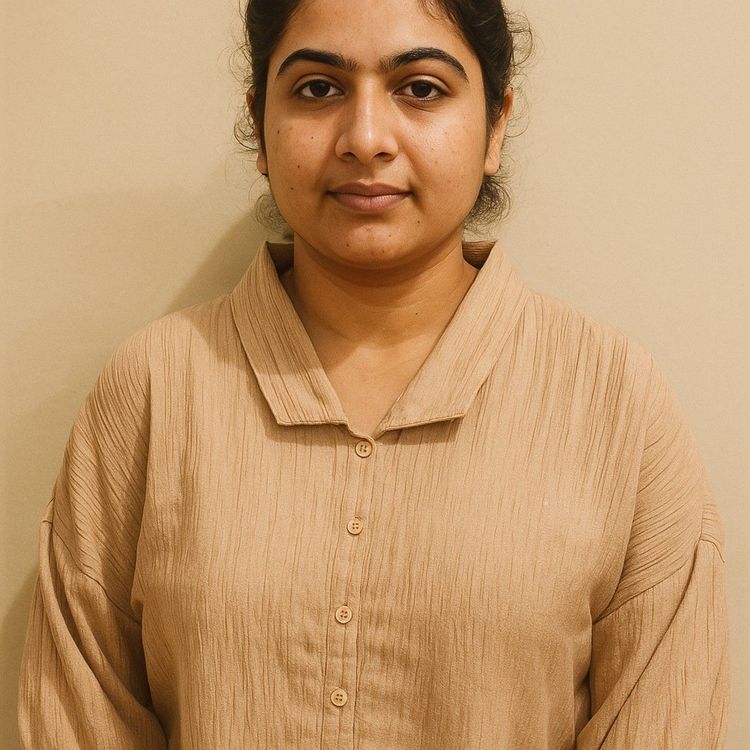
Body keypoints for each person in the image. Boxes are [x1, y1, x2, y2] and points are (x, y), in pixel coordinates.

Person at [17, 0, 730, 747]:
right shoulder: (154, 390)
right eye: (318, 88)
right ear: (260, 123)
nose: (365, 139)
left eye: (420, 88)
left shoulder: (614, 403)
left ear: (495, 124)